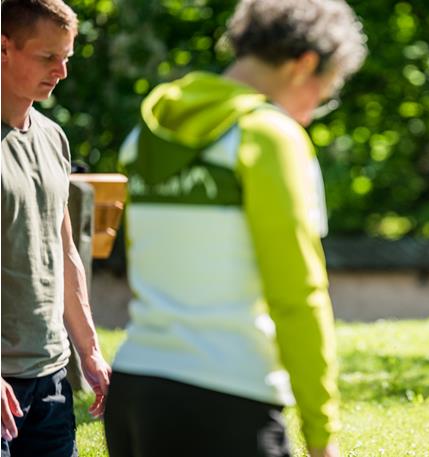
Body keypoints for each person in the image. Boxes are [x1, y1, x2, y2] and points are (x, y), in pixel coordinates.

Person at [102, 1, 366, 456]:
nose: (309, 114)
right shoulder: (267, 137)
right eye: (323, 95)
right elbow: (296, 294)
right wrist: (322, 433)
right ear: (304, 64)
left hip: (134, 393)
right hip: (228, 400)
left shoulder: (142, 136)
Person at [1, 1, 113, 456]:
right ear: (3, 48)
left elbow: (63, 250)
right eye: (48, 57)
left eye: (66, 57)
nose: (62, 71)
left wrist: (89, 351)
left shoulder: (53, 138)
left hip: (51, 376)